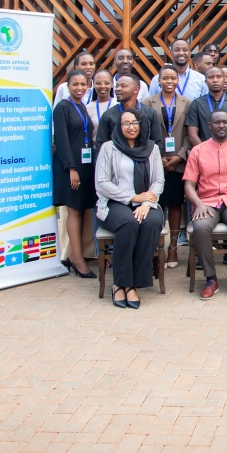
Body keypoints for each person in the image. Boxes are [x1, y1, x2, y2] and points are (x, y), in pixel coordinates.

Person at [183, 110, 227, 301]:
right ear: (209, 125)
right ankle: (210, 278)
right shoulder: (198, 151)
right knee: (200, 226)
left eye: (225, 122)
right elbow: (189, 185)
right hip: (206, 203)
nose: (221, 125)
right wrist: (197, 203)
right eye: (217, 122)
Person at [95, 109, 165, 309]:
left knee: (151, 222)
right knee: (128, 223)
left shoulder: (151, 148)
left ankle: (133, 283)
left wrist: (145, 203)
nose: (131, 127)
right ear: (119, 126)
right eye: (125, 123)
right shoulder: (109, 148)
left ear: (141, 125)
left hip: (146, 201)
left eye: (135, 123)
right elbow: (101, 183)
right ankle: (120, 283)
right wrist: (133, 197)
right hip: (114, 202)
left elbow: (158, 181)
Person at [142, 64, 192, 269]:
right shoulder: (147, 102)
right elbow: (144, 133)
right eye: (165, 78)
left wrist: (179, 156)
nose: (169, 82)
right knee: (156, 203)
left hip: (179, 162)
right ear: (159, 81)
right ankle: (155, 247)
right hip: (156, 162)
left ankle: (172, 248)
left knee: (174, 203)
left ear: (177, 80)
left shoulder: (187, 103)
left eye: (173, 78)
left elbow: (191, 133)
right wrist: (159, 156)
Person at [53, 70, 99, 278]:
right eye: (75, 84)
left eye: (83, 84)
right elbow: (61, 141)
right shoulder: (62, 107)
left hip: (85, 165)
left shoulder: (81, 106)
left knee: (81, 211)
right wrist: (71, 168)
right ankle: (78, 261)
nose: (79, 88)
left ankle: (73, 255)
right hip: (70, 167)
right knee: (74, 212)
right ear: (67, 86)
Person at [95, 74, 164, 159]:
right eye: (117, 86)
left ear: (136, 90)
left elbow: (157, 144)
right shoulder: (108, 115)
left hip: (144, 164)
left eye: (123, 86)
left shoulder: (150, 113)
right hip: (116, 167)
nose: (118, 89)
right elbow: (100, 146)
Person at [184, 66, 227, 147]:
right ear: (206, 82)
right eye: (211, 77)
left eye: (219, 77)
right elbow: (192, 134)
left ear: (224, 80)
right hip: (204, 154)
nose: (215, 80)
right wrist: (204, 151)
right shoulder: (197, 104)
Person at [87, 70, 117, 139]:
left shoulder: (118, 105)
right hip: (95, 148)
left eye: (107, 83)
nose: (102, 86)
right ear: (93, 84)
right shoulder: (87, 108)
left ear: (112, 84)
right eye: (98, 83)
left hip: (114, 147)